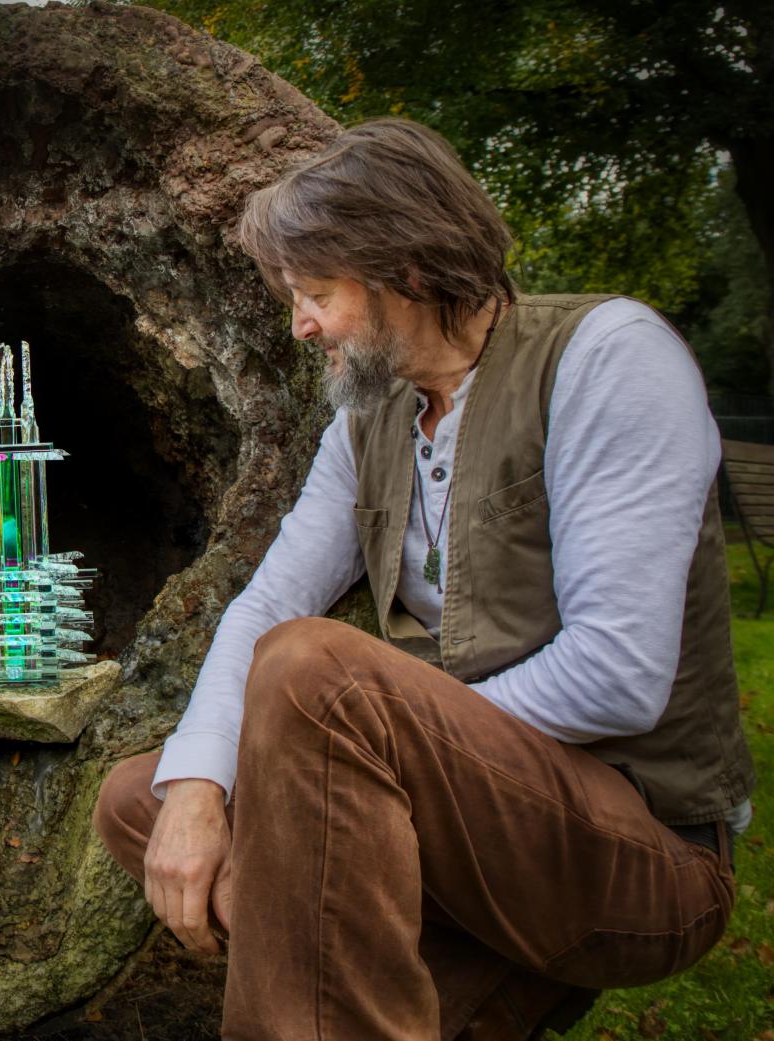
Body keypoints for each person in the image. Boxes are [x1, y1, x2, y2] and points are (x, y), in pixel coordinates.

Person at [93, 118, 755, 1041]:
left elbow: (620, 670)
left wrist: (381, 748)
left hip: (639, 841)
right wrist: (201, 789)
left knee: (315, 675)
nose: (301, 324)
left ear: (406, 270)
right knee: (143, 796)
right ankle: (390, 987)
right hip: (466, 834)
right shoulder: (370, 421)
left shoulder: (607, 357)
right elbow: (267, 601)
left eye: (317, 292)